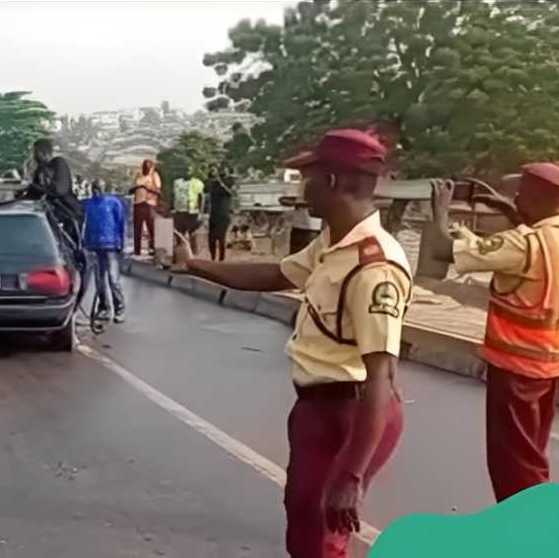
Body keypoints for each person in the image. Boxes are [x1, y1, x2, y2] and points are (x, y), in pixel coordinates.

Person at [176, 129, 409, 558]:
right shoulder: (332, 243)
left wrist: (351, 475)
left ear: (332, 182)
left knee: (324, 531)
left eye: (308, 176)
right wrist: (195, 266)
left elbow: (382, 375)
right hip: (318, 407)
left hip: (353, 411)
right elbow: (273, 275)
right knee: (303, 519)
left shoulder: (374, 267)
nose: (302, 187)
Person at [430, 163, 559, 503]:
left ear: (532, 197)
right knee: (531, 450)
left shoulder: (521, 243)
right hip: (552, 363)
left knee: (513, 461)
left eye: (521, 192)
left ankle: (526, 529)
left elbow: (440, 249)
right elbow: (528, 247)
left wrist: (439, 209)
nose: (516, 195)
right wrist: (510, 213)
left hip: (517, 365)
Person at [22, 138, 83, 245]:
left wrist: (37, 187)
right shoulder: (40, 170)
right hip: (51, 214)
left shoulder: (58, 163)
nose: (34, 157)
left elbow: (60, 190)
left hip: (68, 213)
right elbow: (33, 196)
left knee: (68, 245)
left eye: (36, 153)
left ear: (43, 153)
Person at [82, 179, 127, 323]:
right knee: (99, 281)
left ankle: (119, 308)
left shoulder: (114, 203)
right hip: (94, 246)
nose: (96, 191)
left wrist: (122, 244)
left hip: (111, 246)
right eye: (94, 188)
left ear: (103, 188)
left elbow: (121, 223)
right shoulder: (88, 204)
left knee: (113, 279)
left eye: (98, 188)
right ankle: (103, 308)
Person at [130, 159, 162, 257]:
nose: (146, 169)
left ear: (151, 167)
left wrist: (146, 187)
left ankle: (152, 248)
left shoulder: (154, 176)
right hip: (138, 203)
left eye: (148, 167)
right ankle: (137, 250)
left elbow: (158, 190)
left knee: (151, 227)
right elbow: (133, 188)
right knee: (137, 228)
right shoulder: (139, 176)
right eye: (144, 166)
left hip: (149, 203)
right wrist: (136, 188)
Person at [207, 163, 235, 261]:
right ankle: (213, 258)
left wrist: (220, 182)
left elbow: (230, 193)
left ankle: (221, 259)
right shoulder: (213, 183)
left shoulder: (229, 182)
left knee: (221, 238)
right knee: (211, 238)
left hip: (223, 215)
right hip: (214, 214)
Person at [172, 173, 205, 256]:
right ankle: (180, 254)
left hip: (192, 212)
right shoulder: (177, 182)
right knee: (179, 235)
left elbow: (201, 197)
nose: (187, 173)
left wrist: (201, 212)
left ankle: (194, 254)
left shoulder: (197, 183)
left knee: (192, 234)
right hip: (179, 211)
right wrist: (171, 208)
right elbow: (173, 195)